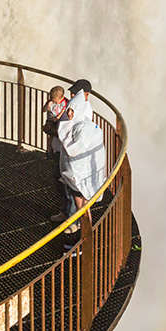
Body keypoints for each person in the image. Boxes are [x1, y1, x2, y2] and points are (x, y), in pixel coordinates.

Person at [54, 79, 107, 233]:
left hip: (80, 174)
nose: (69, 113)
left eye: (72, 111)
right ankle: (86, 234)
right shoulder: (78, 123)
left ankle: (86, 236)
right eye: (68, 110)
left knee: (81, 207)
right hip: (75, 173)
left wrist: (60, 136)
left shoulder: (83, 126)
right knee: (81, 207)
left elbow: (75, 148)